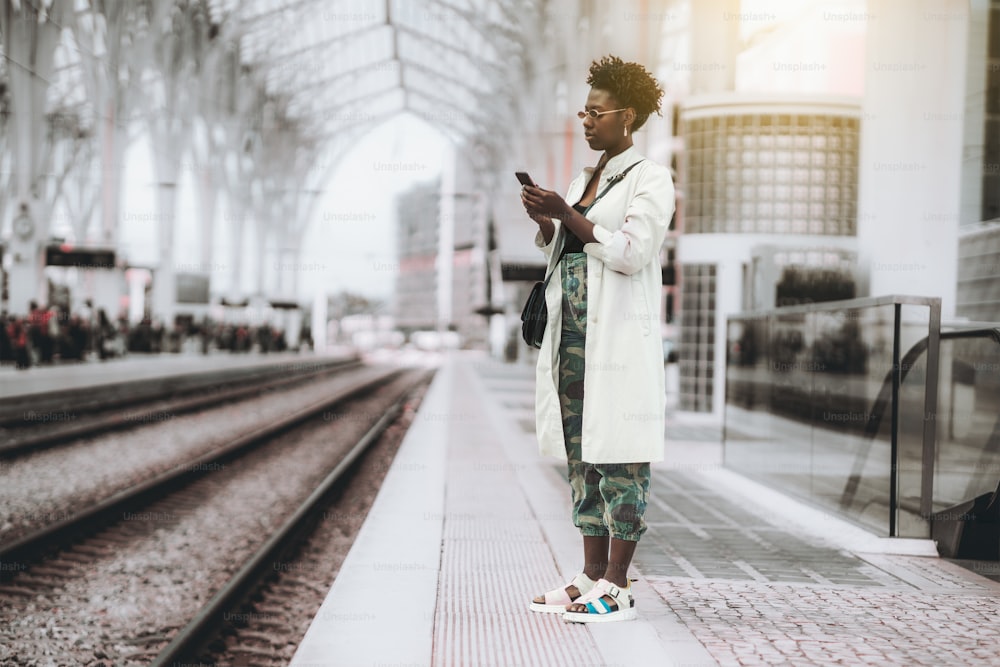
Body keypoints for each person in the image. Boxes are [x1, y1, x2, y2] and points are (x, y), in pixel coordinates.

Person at [520, 55, 674, 623]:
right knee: (582, 459)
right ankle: (588, 577)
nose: (585, 120)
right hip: (573, 341)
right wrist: (548, 222)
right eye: (583, 110)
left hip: (617, 346)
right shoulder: (583, 180)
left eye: (596, 111)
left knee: (623, 459)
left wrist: (568, 214)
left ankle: (619, 583)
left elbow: (631, 253)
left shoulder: (651, 178)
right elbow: (569, 249)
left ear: (626, 117)